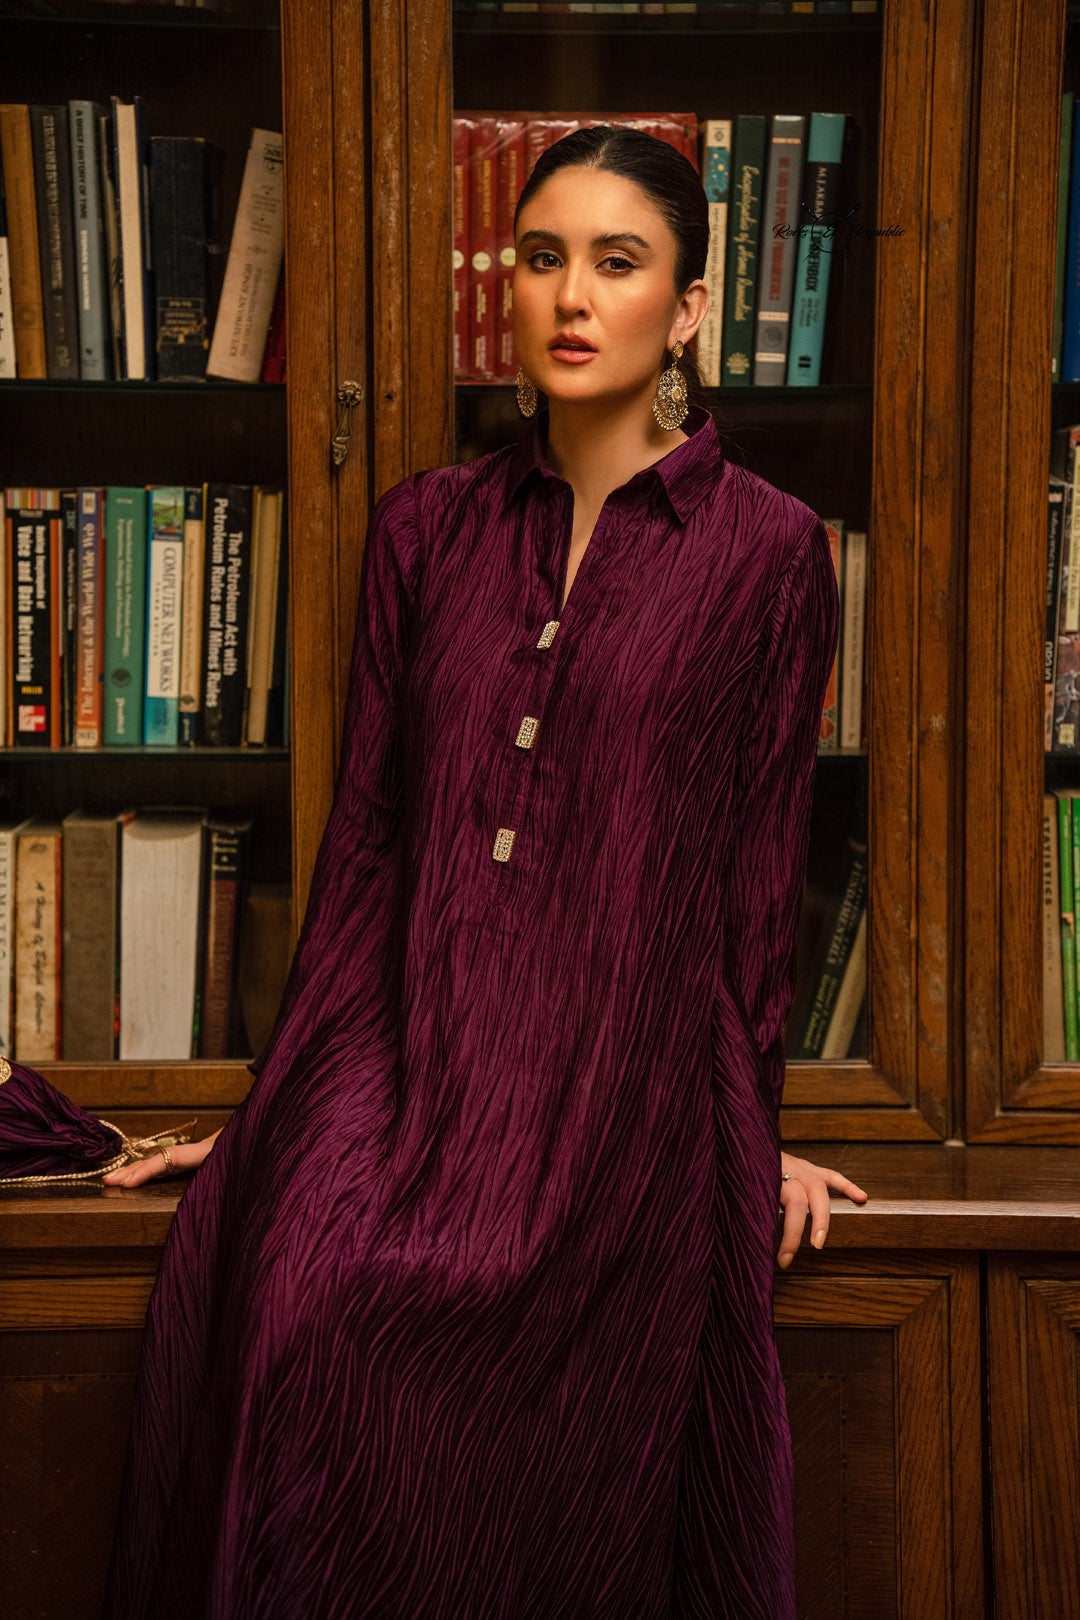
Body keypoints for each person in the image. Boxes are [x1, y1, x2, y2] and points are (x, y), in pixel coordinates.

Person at [101, 124, 868, 1619]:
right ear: (505, 288)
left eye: (617, 263)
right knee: (300, 1308)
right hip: (410, 1070)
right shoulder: (425, 529)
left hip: (620, 1093)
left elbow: (756, 881)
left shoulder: (772, 555)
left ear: (688, 311)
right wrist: (276, 1112)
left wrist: (750, 1130)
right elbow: (367, 854)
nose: (570, 296)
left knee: (575, 1420)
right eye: (541, 258)